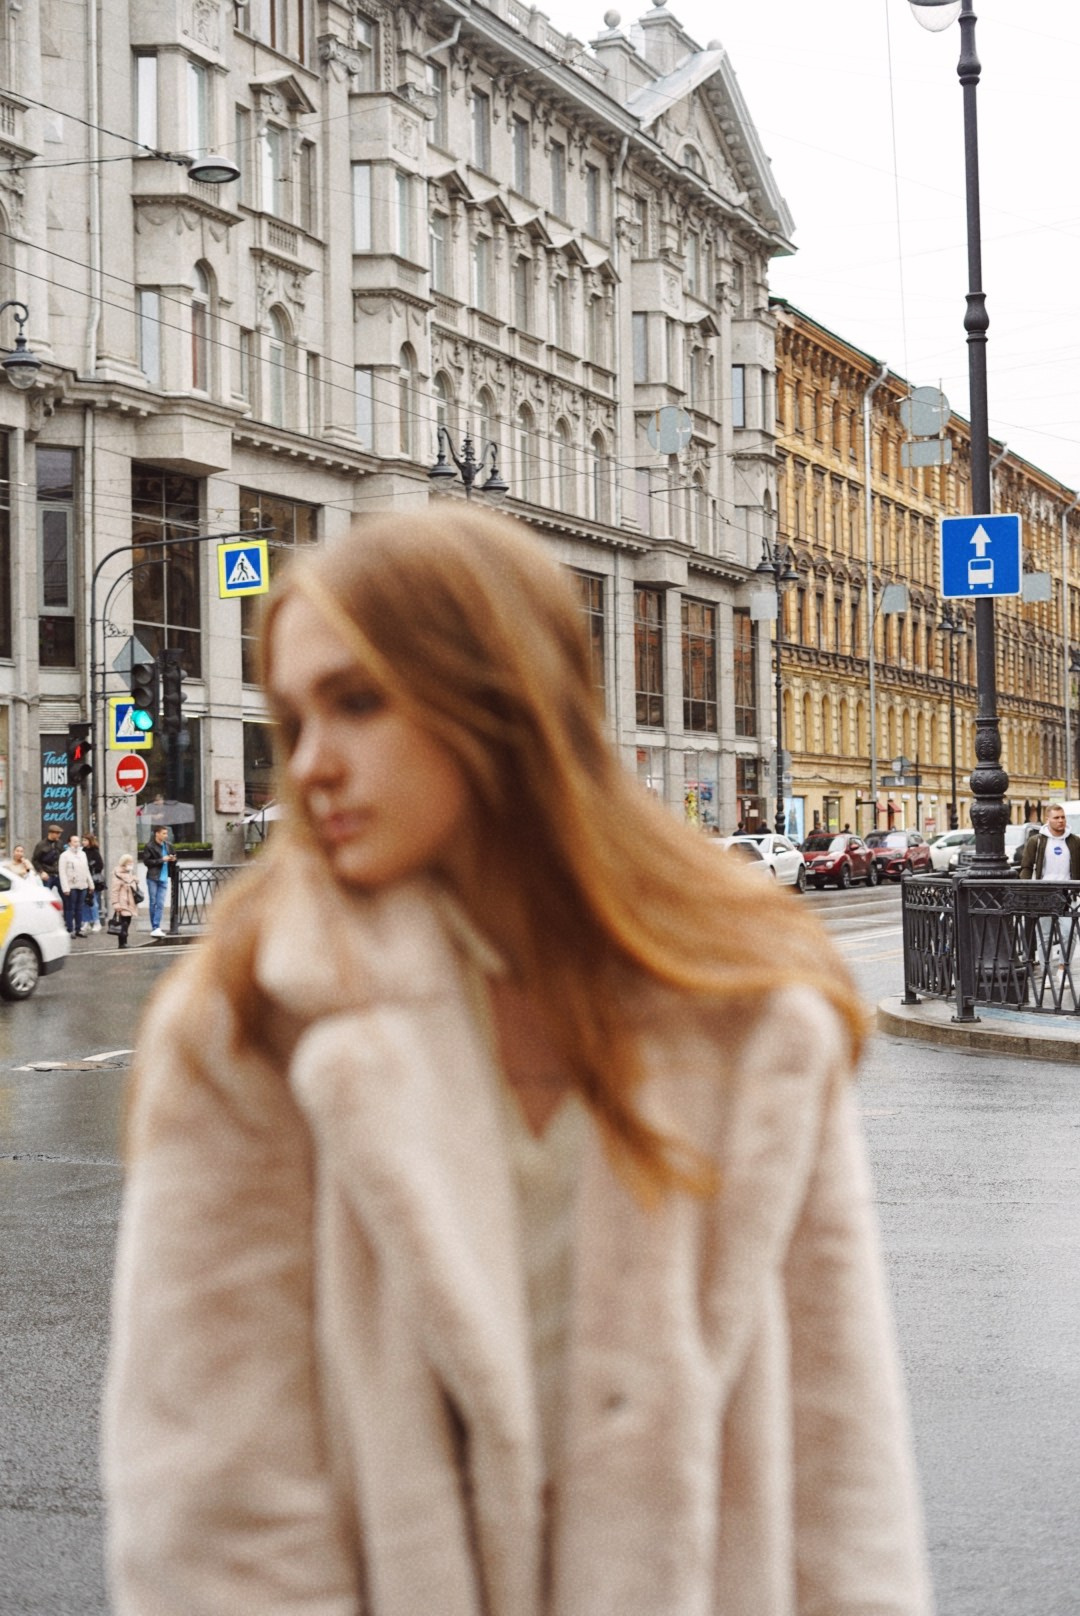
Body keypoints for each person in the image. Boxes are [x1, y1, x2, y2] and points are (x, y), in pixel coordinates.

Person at [103, 506, 933, 1616]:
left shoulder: (745, 1011)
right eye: (292, 717)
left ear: (497, 698)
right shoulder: (259, 1013)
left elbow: (840, 1466)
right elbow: (216, 1509)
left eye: (356, 701)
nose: (309, 762)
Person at [140, 824, 174, 938]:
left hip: (164, 877)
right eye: (164, 833)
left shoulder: (168, 845)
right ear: (157, 834)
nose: (166, 835)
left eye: (166, 833)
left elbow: (173, 857)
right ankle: (155, 927)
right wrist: (161, 860)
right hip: (153, 877)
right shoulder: (149, 846)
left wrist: (173, 859)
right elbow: (147, 862)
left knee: (160, 903)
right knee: (153, 902)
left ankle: (157, 927)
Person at [57, 831, 93, 938]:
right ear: (69, 843)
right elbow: (62, 872)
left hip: (82, 884)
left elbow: (86, 869)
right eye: (74, 842)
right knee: (70, 908)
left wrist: (90, 884)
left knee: (79, 908)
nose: (77, 844)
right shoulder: (64, 855)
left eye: (78, 841)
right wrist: (65, 887)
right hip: (71, 885)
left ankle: (78, 928)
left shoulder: (83, 854)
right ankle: (70, 929)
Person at [109, 854, 139, 950]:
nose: (131, 865)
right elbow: (114, 891)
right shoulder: (118, 875)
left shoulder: (129, 874)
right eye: (129, 863)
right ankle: (122, 943)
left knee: (127, 922)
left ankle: (124, 942)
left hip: (129, 902)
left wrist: (135, 880)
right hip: (123, 902)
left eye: (132, 862)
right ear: (124, 864)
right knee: (124, 923)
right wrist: (116, 904)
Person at [83, 832, 105, 933]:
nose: (83, 842)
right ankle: (86, 921)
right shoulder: (83, 851)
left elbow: (100, 865)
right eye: (83, 840)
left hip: (93, 880)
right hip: (84, 879)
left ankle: (97, 922)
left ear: (90, 841)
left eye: (85, 840)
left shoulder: (95, 852)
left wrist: (91, 866)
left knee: (93, 901)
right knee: (85, 901)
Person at [31, 823, 63, 889]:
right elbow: (35, 860)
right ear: (50, 833)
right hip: (47, 874)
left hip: (59, 873)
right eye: (57, 833)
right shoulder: (41, 845)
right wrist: (41, 872)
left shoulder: (59, 843)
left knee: (66, 896)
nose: (59, 835)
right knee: (47, 895)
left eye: (59, 833)